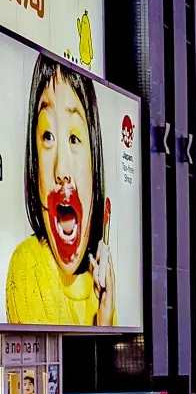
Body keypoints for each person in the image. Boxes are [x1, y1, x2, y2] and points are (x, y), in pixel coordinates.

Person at [7, 55, 117, 325]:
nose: (61, 169)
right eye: (48, 136)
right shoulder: (26, 266)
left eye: (74, 138)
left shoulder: (101, 286)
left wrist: (104, 320)